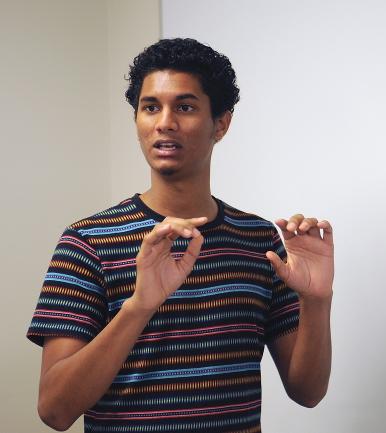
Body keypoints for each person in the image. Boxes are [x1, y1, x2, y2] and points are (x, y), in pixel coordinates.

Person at [27, 38, 334, 433]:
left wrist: (317, 301)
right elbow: (54, 411)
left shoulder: (261, 242)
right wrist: (139, 306)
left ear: (220, 124)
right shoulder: (87, 242)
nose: (164, 122)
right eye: (150, 107)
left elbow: (307, 392)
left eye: (185, 107)